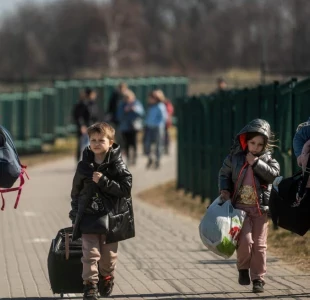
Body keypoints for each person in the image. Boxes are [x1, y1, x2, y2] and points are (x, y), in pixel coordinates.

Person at [69, 122, 133, 300]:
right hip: (89, 217)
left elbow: (126, 188)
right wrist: (74, 215)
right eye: (93, 140)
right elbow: (75, 192)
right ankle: (90, 286)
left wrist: (104, 181)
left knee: (108, 258)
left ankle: (106, 276)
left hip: (111, 218)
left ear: (110, 143)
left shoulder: (117, 164)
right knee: (90, 254)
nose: (96, 144)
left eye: (101, 140)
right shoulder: (83, 166)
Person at [218, 118, 280, 293]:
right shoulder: (234, 158)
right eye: (252, 143)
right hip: (240, 211)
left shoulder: (268, 159)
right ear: (245, 141)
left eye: (260, 144)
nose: (255, 147)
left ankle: (258, 278)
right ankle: (243, 268)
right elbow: (224, 173)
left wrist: (256, 163)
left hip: (260, 210)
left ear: (265, 145)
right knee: (245, 242)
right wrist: (224, 190)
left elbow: (273, 175)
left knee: (260, 246)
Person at [72, 88, 101, 162]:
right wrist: (82, 125)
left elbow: (95, 116)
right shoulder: (82, 104)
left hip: (92, 127)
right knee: (82, 145)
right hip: (85, 127)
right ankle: (81, 161)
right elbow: (79, 116)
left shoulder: (93, 104)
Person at [117, 89, 144, 166]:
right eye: (126, 98)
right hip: (125, 127)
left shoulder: (136, 103)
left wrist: (134, 109)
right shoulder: (122, 105)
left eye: (129, 98)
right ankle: (128, 158)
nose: (127, 100)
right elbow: (119, 116)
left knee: (134, 143)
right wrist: (125, 111)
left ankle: (134, 158)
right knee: (126, 144)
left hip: (134, 127)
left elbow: (141, 113)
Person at [143, 89, 167, 169]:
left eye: (151, 98)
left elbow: (164, 117)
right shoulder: (150, 107)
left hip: (158, 128)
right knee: (147, 144)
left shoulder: (160, 106)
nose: (149, 100)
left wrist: (157, 124)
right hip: (149, 127)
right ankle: (150, 158)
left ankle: (158, 160)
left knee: (158, 145)